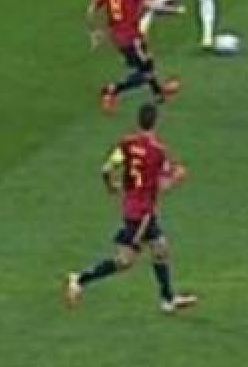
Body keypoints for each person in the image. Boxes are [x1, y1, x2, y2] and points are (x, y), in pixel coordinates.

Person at [63, 103, 198, 314]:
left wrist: (111, 186)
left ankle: (167, 299)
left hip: (132, 208)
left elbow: (106, 169)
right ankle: (79, 280)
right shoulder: (158, 151)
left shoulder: (126, 144)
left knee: (159, 249)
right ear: (156, 121)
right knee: (126, 260)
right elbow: (163, 184)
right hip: (143, 214)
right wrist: (177, 178)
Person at [87, 0, 180, 114]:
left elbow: (93, 6)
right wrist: (171, 10)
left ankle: (159, 93)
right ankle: (111, 91)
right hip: (130, 37)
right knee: (145, 72)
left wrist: (93, 30)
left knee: (147, 62)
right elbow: (148, 4)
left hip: (118, 36)